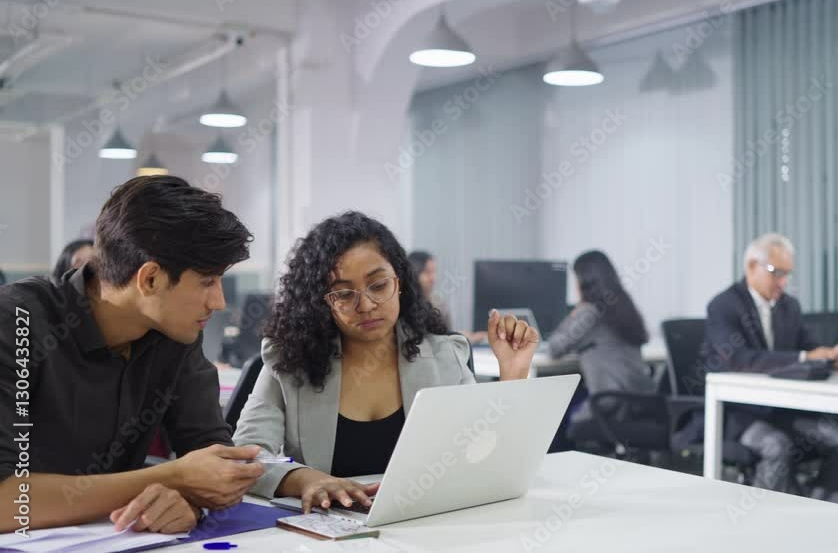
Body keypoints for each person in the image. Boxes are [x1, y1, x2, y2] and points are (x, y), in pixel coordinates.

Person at [0, 175, 265, 534]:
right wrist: (172, 478)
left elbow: (212, 458)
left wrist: (185, 502)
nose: (218, 302)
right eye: (207, 282)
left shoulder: (175, 331)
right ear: (150, 279)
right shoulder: (15, 321)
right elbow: (5, 500)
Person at [233, 212, 538, 513]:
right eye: (344, 294)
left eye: (378, 286)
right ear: (321, 301)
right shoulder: (289, 360)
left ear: (400, 282)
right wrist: (304, 479)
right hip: (328, 530)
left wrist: (513, 374)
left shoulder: (445, 355)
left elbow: (485, 457)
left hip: (424, 525)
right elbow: (247, 455)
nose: (366, 305)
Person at [702, 232, 838, 503]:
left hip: (781, 410)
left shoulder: (789, 307)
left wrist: (831, 358)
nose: (783, 282)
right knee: (776, 445)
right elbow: (739, 360)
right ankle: (762, 520)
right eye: (777, 272)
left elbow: (809, 348)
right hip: (736, 413)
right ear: (752, 266)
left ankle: (817, 514)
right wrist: (805, 357)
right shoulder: (724, 305)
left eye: (787, 274)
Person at [548, 251, 653, 426]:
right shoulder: (624, 304)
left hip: (610, 404)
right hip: (640, 401)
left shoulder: (589, 312)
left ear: (584, 281)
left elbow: (554, 348)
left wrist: (574, 313)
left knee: (554, 409)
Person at [407, 250, 487, 344]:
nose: (433, 278)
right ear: (414, 274)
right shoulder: (406, 305)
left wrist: (464, 336)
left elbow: (445, 334)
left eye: (434, 272)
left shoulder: (438, 303)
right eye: (427, 272)